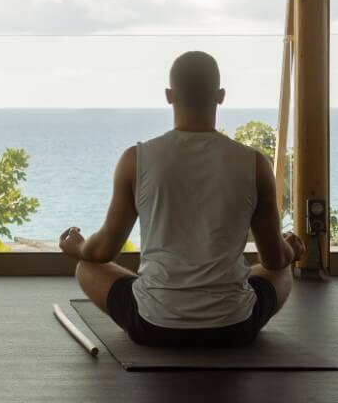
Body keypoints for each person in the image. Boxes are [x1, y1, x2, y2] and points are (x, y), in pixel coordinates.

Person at [58, 50, 303, 348]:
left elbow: (103, 250)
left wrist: (77, 246)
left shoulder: (136, 159)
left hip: (153, 324)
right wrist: (291, 250)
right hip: (234, 327)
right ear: (221, 96)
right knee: (280, 271)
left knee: (87, 267)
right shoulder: (254, 164)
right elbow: (273, 259)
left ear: (169, 95)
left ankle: (161, 299)